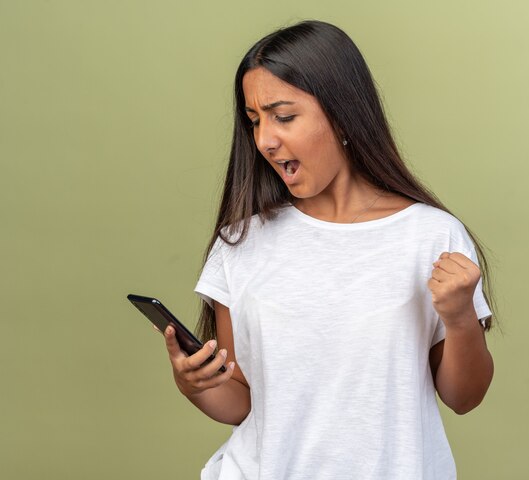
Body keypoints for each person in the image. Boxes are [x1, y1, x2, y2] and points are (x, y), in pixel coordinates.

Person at [162, 19, 497, 480]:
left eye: (283, 116)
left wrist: (460, 317)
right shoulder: (241, 242)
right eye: (254, 120)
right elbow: (241, 403)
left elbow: (465, 397)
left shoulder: (431, 237)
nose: (264, 140)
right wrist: (194, 384)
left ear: (341, 114)